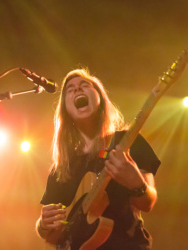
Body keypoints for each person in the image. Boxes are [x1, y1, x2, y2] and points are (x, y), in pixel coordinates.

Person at [36, 68, 160, 249]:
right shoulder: (63, 167)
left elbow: (148, 203)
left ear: (100, 98)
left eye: (84, 85)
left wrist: (137, 184)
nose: (77, 89)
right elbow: (50, 234)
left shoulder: (127, 141)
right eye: (70, 89)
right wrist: (43, 224)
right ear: (65, 109)